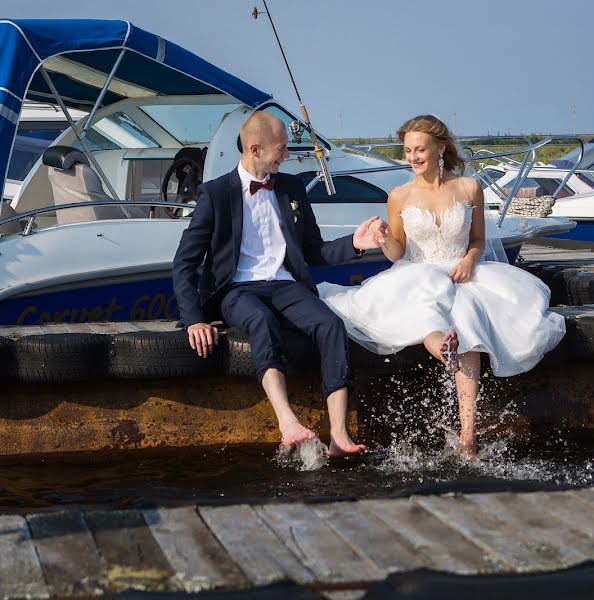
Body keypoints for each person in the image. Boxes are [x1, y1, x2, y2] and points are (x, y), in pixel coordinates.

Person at [318, 114, 566, 457]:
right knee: (427, 300)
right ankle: (442, 350)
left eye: (420, 149)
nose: (413, 157)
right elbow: (396, 254)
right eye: (407, 151)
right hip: (417, 273)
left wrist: (468, 260)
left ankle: (467, 437)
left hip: (463, 273)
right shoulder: (399, 195)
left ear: (440, 148)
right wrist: (385, 238)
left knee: (469, 319)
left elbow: (478, 240)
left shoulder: (468, 188)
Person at [172, 111, 385, 457]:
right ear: (255, 149)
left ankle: (338, 436)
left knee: (330, 325)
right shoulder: (215, 194)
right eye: (281, 150)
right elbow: (184, 262)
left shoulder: (291, 188)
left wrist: (356, 243)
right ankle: (287, 422)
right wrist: (194, 318)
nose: (286, 156)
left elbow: (313, 251)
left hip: (285, 286)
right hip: (236, 290)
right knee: (260, 321)